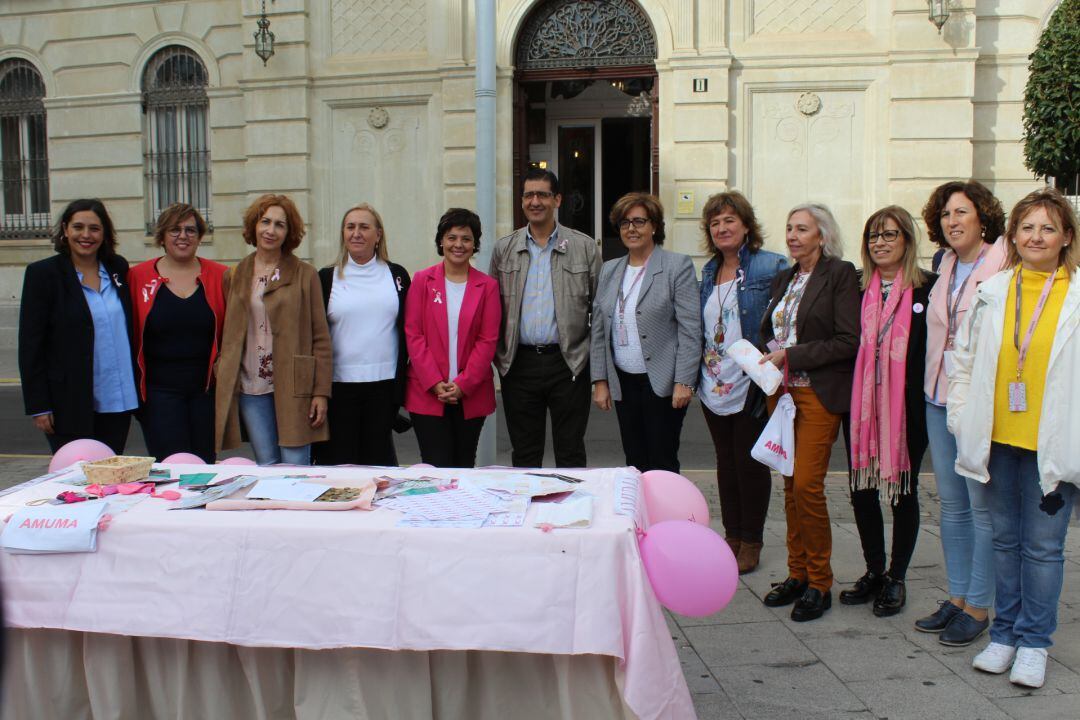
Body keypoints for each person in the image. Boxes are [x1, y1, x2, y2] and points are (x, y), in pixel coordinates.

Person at [950, 188, 1079, 688]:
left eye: (1048, 228)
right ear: (1013, 235)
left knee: (1044, 547)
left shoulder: (1075, 294)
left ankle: (1035, 641)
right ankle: (1003, 635)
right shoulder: (994, 291)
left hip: (1053, 445)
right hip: (997, 439)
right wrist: (961, 417)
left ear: (1066, 236)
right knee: (1004, 540)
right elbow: (962, 361)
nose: (1036, 236)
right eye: (1027, 227)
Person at [758, 203, 860, 622]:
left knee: (807, 487)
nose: (793, 236)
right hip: (780, 395)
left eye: (803, 229)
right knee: (787, 486)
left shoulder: (839, 274)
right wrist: (763, 353)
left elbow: (846, 340)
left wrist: (791, 354)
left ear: (822, 235)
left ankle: (820, 582)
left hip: (817, 394)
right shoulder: (784, 277)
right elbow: (772, 330)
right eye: (789, 228)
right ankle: (797, 573)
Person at [916, 180, 1007, 646]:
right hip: (938, 396)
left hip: (976, 403)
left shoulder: (1002, 261)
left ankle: (979, 605)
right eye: (947, 215)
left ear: (982, 218)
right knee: (950, 506)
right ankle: (957, 598)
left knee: (980, 506)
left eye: (962, 213)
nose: (953, 222)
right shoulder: (945, 263)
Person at [840, 206, 934, 617]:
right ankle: (874, 571)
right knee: (862, 489)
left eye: (889, 235)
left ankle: (896, 578)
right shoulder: (856, 289)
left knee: (902, 491)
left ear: (907, 241)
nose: (880, 243)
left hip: (907, 408)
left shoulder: (927, 289)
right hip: (860, 408)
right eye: (873, 236)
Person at [696, 191, 787, 573]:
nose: (722, 228)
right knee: (724, 462)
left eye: (729, 220)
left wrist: (779, 353)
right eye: (715, 223)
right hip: (713, 381)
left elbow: (787, 312)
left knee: (749, 462)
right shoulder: (707, 271)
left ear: (746, 225)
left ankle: (751, 540)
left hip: (751, 379)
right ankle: (731, 536)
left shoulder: (770, 265)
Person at [490, 168, 602, 468]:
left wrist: (595, 363)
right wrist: (498, 360)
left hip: (569, 363)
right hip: (519, 364)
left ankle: (572, 513)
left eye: (542, 194)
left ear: (558, 200)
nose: (535, 201)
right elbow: (491, 308)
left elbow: (599, 310)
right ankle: (528, 513)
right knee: (525, 454)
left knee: (570, 452)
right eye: (529, 195)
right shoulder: (505, 249)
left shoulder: (584, 247)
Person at [214, 194, 331, 465]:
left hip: (293, 383)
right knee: (266, 465)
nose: (271, 230)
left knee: (296, 465)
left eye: (280, 224)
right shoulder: (235, 274)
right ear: (254, 226)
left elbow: (321, 337)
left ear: (288, 232)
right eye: (265, 221)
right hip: (251, 385)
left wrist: (320, 392)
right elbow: (230, 332)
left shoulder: (305, 274)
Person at [591, 193, 701, 473]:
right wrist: (600, 380)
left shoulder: (677, 266)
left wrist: (684, 381)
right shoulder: (610, 269)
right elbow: (600, 331)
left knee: (662, 461)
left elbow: (691, 329)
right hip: (624, 381)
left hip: (663, 383)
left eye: (639, 221)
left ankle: (665, 516)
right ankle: (639, 516)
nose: (631, 228)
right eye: (625, 222)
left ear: (654, 226)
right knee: (634, 461)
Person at [19, 199, 138, 454]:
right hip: (68, 402)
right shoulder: (44, 275)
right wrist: (39, 405)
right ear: (65, 229)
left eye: (94, 228)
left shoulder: (118, 267)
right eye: (78, 227)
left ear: (104, 233)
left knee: (111, 475)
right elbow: (31, 344)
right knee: (77, 480)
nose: (86, 235)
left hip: (116, 400)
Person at [129, 204, 227, 462]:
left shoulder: (221, 276)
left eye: (190, 230)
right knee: (171, 468)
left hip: (206, 394)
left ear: (200, 236)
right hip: (159, 394)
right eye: (174, 229)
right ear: (161, 236)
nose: (182, 236)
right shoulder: (137, 277)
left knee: (205, 467)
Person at [315, 204, 410, 466]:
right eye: (350, 227)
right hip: (339, 388)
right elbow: (315, 336)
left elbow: (407, 330)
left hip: (384, 387)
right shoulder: (325, 278)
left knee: (378, 465)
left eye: (364, 227)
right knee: (339, 465)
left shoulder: (397, 276)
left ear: (378, 235)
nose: (356, 233)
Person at [405, 208, 500, 467]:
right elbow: (414, 335)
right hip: (427, 393)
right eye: (452, 237)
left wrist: (463, 384)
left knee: (464, 465)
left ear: (475, 244)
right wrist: (435, 382)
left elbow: (487, 340)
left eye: (466, 238)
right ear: (441, 241)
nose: (458, 244)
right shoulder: (422, 281)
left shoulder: (487, 286)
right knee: (435, 467)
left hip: (470, 393)